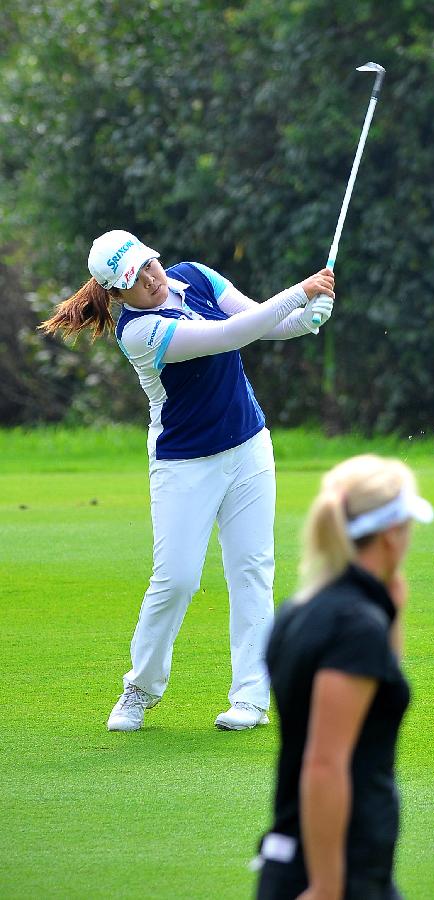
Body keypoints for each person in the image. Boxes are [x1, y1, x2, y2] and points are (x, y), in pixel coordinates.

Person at [40, 229, 335, 732]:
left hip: (248, 447)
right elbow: (227, 337)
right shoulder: (137, 332)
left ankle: (251, 698)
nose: (150, 280)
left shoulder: (195, 275)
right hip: (184, 464)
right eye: (134, 280)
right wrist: (300, 293)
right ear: (116, 295)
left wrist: (305, 321)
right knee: (176, 579)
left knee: (252, 570)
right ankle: (140, 688)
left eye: (148, 266)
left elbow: (255, 322)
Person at [255, 454, 434, 900]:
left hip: (305, 858)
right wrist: (327, 886)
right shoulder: (354, 626)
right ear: (391, 534)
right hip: (336, 870)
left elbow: (378, 695)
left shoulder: (300, 610)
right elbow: (325, 762)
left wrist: (392, 608)